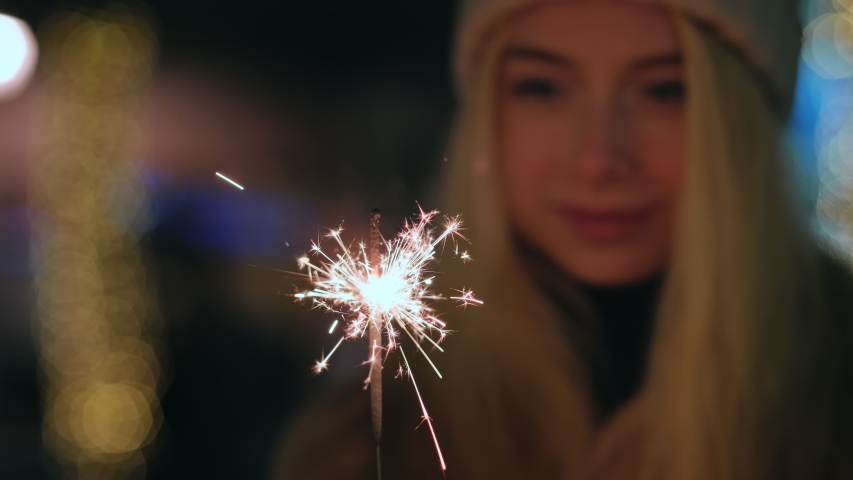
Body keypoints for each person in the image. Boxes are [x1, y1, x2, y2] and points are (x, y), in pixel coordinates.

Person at [275, 1, 853, 479]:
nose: (597, 160)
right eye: (544, 88)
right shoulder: (366, 443)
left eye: (663, 90)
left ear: (743, 118)